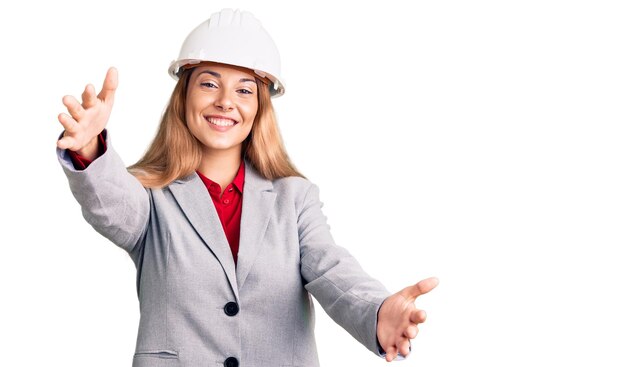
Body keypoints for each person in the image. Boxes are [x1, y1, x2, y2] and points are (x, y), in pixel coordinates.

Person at [56, 8, 438, 367]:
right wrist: (91, 149)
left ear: (259, 108)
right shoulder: (152, 198)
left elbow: (331, 270)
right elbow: (109, 203)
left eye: (244, 90)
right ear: (184, 95)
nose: (225, 102)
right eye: (209, 84)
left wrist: (377, 310)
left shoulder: (295, 199)